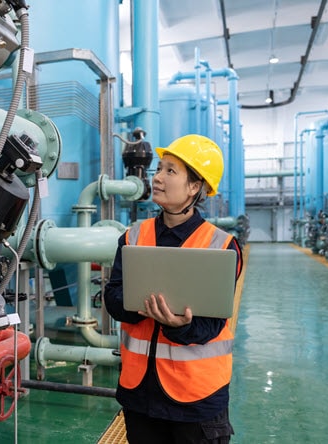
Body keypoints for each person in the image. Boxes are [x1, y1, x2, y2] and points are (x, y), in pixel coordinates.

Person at [104, 134, 243, 444]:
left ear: (195, 187)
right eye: (159, 169)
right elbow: (112, 298)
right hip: (140, 395)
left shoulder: (220, 246)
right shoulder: (134, 236)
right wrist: (137, 304)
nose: (157, 178)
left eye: (170, 171)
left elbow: (211, 324)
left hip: (196, 400)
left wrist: (180, 326)